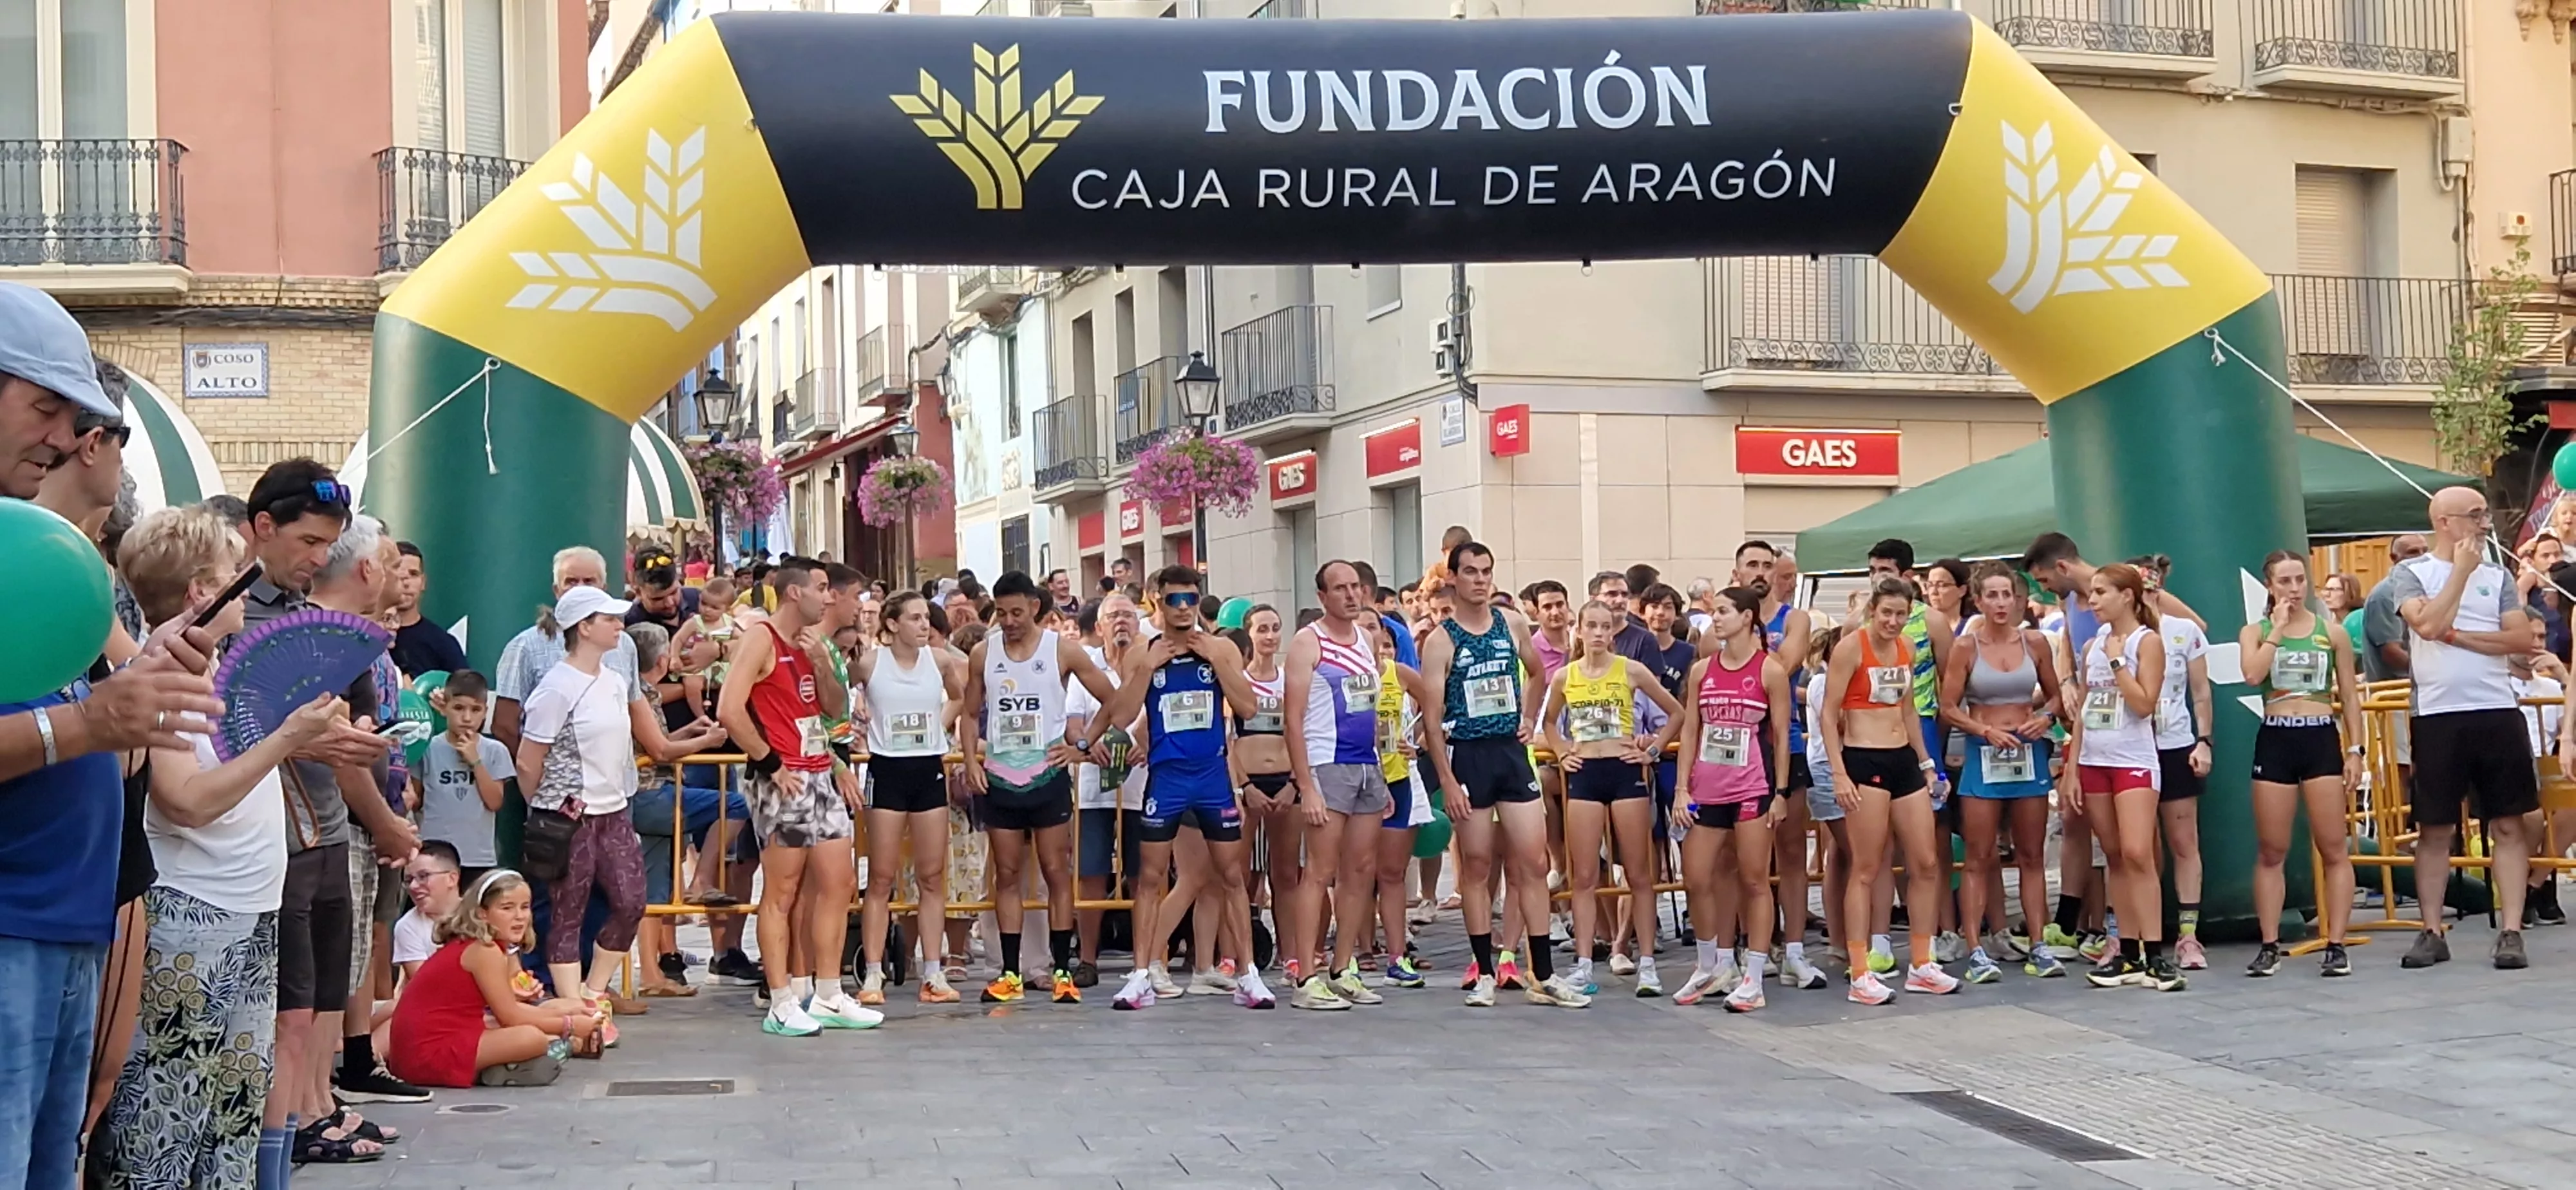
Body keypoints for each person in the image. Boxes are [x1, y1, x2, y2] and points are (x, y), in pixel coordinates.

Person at [89, 504, 346, 1183]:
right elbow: (187, 800)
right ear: (205, 592)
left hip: (247, 908)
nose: (246, 583)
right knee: (167, 1115)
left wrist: (308, 738)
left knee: (231, 1112)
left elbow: (232, 776)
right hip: (190, 916)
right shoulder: (165, 679)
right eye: (235, 572)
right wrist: (287, 739)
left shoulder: (215, 673)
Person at [231, 461, 407, 1166]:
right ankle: (293, 1119)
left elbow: (358, 716)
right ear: (261, 528)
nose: (317, 558)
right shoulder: (228, 616)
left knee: (323, 984)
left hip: (324, 822)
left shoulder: (316, 621)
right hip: (265, 833)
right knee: (291, 998)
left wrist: (360, 735)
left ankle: (313, 1107)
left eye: (327, 543)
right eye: (307, 541)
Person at [517, 585, 727, 1017]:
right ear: (584, 627)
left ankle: (593, 991)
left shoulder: (614, 681)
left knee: (632, 901)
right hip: (570, 814)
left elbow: (653, 743)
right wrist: (546, 809)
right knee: (567, 911)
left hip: (614, 809)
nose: (619, 625)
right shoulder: (556, 687)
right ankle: (573, 1005)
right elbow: (528, 760)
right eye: (609, 619)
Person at [713, 558, 876, 1032]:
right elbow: (730, 708)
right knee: (781, 892)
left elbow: (833, 710)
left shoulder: (816, 643)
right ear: (793, 593)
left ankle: (828, 992)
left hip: (820, 771)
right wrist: (770, 763)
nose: (828, 597)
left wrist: (826, 665)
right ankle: (781, 999)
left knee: (838, 882)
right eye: (821, 588)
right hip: (784, 777)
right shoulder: (761, 638)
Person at [955, 570, 1132, 1004]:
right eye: (1001, 613)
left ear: (1035, 607)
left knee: (1056, 874)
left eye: (1017, 612)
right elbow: (969, 712)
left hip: (1048, 775)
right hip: (1001, 777)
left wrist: (1084, 746)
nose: (1009, 621)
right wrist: (971, 760)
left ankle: (1060, 971)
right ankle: (1011, 973)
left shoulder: (1062, 651)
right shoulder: (984, 652)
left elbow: (1114, 698)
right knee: (1008, 875)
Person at [1109, 567, 1273, 1012]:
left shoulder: (1219, 648)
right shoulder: (1142, 651)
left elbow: (1248, 706)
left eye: (1191, 599)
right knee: (1150, 877)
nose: (1184, 608)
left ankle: (1248, 974)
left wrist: (1220, 662)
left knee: (1232, 875)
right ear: (1157, 603)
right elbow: (1121, 717)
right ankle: (1142, 974)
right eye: (1174, 600)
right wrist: (1146, 669)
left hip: (1212, 776)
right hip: (1167, 777)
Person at [2392, 487, 2539, 970]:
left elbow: (2520, 638)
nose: (2484, 523)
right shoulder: (2410, 574)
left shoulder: (2497, 576)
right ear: (2445, 522)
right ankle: (2432, 930)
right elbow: (2426, 626)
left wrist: (2461, 636)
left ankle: (2512, 929)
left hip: (2496, 708)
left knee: (2508, 822)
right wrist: (2459, 573)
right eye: (2474, 516)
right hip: (2438, 714)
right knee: (2435, 827)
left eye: (2484, 514)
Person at [1423, 543, 1571, 1008]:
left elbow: (1537, 673)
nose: (1480, 580)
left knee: (1533, 862)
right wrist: (1446, 780)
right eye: (1470, 572)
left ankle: (1542, 973)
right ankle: (1483, 969)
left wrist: (1529, 716)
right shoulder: (1441, 640)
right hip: (1468, 754)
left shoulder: (1512, 623)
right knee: (1478, 865)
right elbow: (1430, 719)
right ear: (1454, 578)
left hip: (1510, 752)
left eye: (1487, 571)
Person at [1820, 577, 1961, 1004]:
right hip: (1864, 760)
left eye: (1901, 614)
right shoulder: (1851, 648)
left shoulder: (1907, 648)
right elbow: (1829, 714)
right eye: (1887, 613)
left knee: (1926, 861)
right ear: (1872, 612)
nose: (1894, 622)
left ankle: (1922, 962)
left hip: (1903, 760)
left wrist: (1926, 763)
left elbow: (1908, 708)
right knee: (1866, 866)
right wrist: (1840, 774)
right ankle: (1860, 969)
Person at [1284, 562, 1411, 1008]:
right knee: (1319, 871)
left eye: (1356, 587)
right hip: (1327, 763)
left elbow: (1372, 708)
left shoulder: (1367, 638)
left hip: (1367, 765)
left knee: (1361, 869)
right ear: (1323, 597)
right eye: (1340, 589)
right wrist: (1307, 785)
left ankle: (1343, 968)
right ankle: (1306, 974)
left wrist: (1385, 762)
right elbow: (1293, 720)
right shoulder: (1307, 643)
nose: (1351, 595)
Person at [1544, 596, 1683, 1003]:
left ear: (1614, 632)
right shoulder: (1565, 677)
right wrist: (1563, 749)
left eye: (1607, 627)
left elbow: (1676, 712)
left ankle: (1647, 964)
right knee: (1584, 875)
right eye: (1592, 627)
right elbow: (1549, 721)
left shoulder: (1631, 670)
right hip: (1585, 774)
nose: (1600, 634)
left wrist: (1653, 750)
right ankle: (1585, 964)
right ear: (1580, 630)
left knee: (1638, 873)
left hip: (1626, 773)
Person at [1938, 562, 2067, 984]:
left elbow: (2057, 697)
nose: (1999, 603)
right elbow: (1948, 705)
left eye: (2006, 595)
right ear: (1978, 601)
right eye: (1990, 596)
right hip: (1983, 754)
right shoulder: (1966, 647)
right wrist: (1984, 730)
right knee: (1980, 855)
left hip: (2027, 754)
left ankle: (2040, 944)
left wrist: (2045, 719)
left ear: (2018, 600)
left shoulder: (2036, 642)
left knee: (2031, 854)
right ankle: (1976, 947)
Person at [2241, 551, 2365, 978]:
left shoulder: (2331, 633)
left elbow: (2349, 694)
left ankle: (2336, 943)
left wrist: (2356, 750)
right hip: (2276, 734)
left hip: (2319, 735)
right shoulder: (2254, 631)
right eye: (2285, 582)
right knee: (2272, 848)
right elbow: (2253, 675)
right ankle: (2269, 943)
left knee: (2333, 844)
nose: (2294, 589)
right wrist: (2275, 631)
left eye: (2300, 580)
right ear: (2270, 587)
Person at [1671, 587, 1792, 1010]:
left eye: (1723, 612)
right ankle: (1711, 965)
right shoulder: (1702, 671)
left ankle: (1753, 978)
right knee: (1698, 876)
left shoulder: (1769, 671)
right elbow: (1690, 731)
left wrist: (1781, 793)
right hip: (1707, 788)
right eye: (1713, 612)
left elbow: (1779, 736)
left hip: (1752, 788)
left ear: (1747, 617)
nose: (1715, 619)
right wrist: (1682, 789)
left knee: (1754, 879)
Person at [2064, 563, 2183, 991]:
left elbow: (2144, 704)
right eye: (2091, 593)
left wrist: (2118, 662)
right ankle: (2127, 949)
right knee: (2113, 854)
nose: (2092, 601)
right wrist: (2073, 766)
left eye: (2101, 593)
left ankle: (2156, 951)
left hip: (2133, 757)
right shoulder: (2092, 643)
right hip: (2096, 758)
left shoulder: (2145, 642)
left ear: (2127, 596)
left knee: (2138, 852)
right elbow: (2084, 710)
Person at [386, 871, 604, 1090]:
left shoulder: (483, 946)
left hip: (429, 1047)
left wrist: (568, 1016)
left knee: (557, 1016)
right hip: (426, 1055)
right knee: (532, 1038)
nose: (520, 916)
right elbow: (511, 1016)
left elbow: (510, 1010)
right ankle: (504, 1064)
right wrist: (570, 1025)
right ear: (482, 914)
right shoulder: (484, 950)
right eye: (507, 908)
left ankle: (505, 1065)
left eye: (525, 907)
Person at [855, 589, 968, 1006]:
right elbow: (840, 695)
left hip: (927, 768)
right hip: (887, 768)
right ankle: (872, 973)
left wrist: (938, 728)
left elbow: (958, 696)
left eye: (926, 618)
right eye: (916, 618)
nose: (924, 625)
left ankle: (933, 972)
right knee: (882, 877)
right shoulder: (871, 662)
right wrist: (857, 723)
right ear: (892, 625)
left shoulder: (938, 661)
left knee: (932, 875)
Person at [2141, 557, 2215, 972]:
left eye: (2154, 592)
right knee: (2137, 847)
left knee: (2184, 841)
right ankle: (2135, 934)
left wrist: (2204, 741)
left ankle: (2189, 935)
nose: (2148, 600)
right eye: (2141, 593)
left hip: (2176, 745)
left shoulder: (2182, 632)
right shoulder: (2111, 636)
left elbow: (2201, 693)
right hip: (2131, 750)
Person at [1068, 594, 1144, 990]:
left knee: (1144, 873)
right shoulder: (1087, 668)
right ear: (1098, 627)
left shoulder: (1148, 667)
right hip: (1094, 789)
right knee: (1091, 872)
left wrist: (1145, 742)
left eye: (1128, 616)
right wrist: (1085, 743)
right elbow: (1074, 722)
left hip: (1141, 785)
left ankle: (1149, 958)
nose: (1121, 623)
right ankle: (1087, 958)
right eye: (1113, 616)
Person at [1232, 604, 1298, 983]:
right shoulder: (1237, 681)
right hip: (1247, 784)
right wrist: (1244, 786)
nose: (1270, 636)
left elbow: (1299, 734)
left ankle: (1291, 955)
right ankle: (1237, 957)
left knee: (1286, 874)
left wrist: (1294, 784)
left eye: (1275, 628)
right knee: (1237, 876)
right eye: (1262, 629)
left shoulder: (1291, 679)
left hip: (1285, 781)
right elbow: (1227, 740)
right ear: (1249, 634)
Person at [419, 670, 511, 887]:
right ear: (445, 708)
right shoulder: (429, 749)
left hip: (477, 857)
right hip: (434, 856)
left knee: (473, 918)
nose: (467, 718)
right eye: (459, 708)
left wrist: (476, 762)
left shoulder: (496, 751)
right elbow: (416, 800)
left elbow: (495, 802)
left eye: (475, 710)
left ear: (485, 713)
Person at [389, 542, 468, 678]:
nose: (406, 583)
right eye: (398, 573)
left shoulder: (443, 643)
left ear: (423, 582)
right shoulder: (366, 636)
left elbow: (466, 692)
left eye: (413, 574)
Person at [391, 842, 468, 981]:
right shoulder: (408, 926)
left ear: (452, 878)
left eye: (423, 876)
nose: (413, 886)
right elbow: (425, 985)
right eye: (409, 880)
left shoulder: (482, 914)